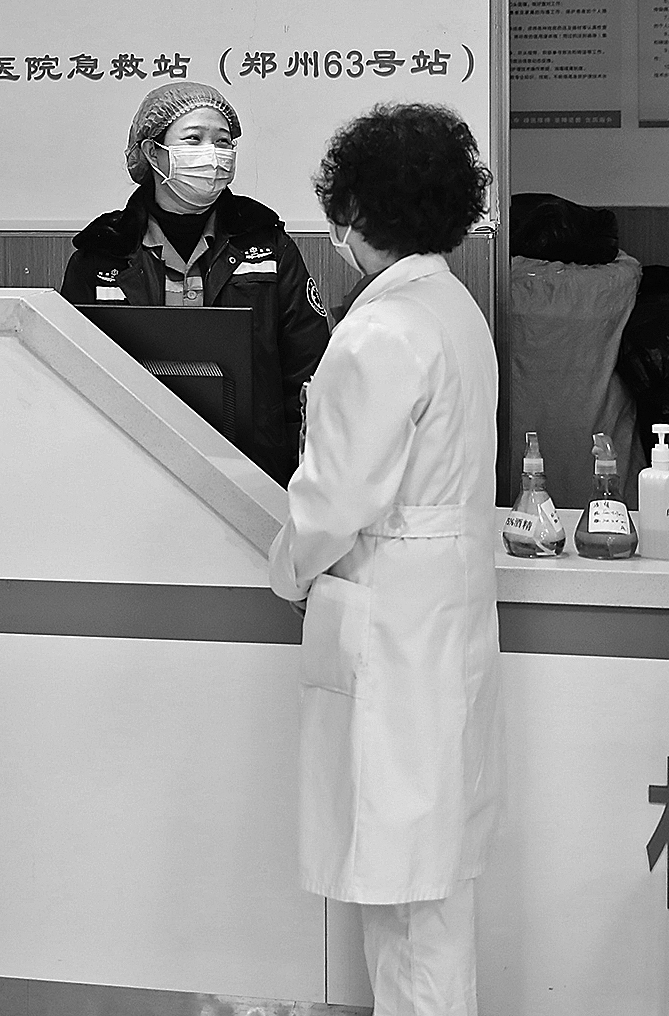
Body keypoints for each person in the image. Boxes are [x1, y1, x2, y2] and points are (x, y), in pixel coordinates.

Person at [270, 103, 501, 1016]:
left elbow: (336, 499)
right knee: (429, 894)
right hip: (439, 618)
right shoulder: (453, 309)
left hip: (395, 629)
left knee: (407, 905)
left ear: (358, 210)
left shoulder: (380, 330)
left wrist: (288, 568)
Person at [60, 82, 329, 480]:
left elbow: (309, 370)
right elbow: (73, 375)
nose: (213, 154)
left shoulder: (267, 244)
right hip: (134, 469)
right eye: (194, 139)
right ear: (153, 152)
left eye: (223, 142)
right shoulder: (102, 253)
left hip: (257, 471)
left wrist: (298, 474)